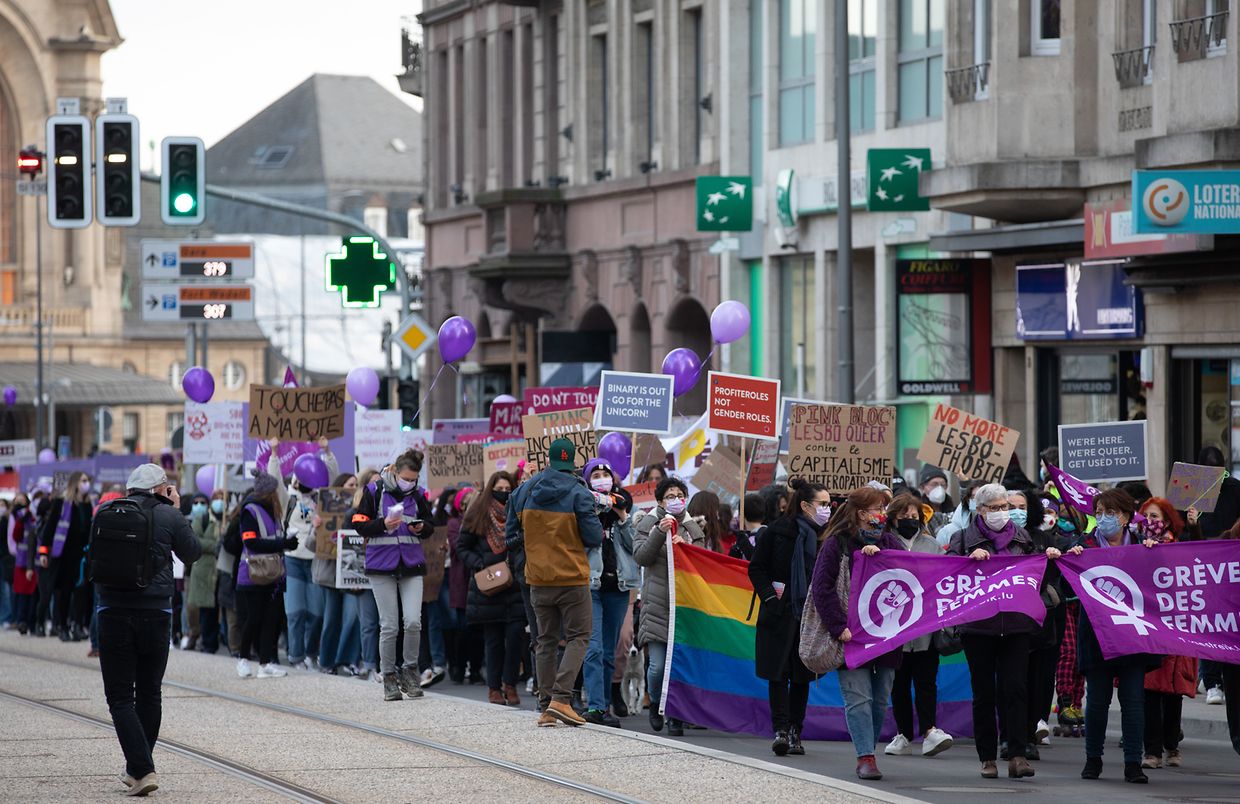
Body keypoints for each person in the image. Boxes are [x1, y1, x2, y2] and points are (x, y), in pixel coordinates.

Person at [97, 464, 201, 796]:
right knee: (149, 691)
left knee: (119, 697)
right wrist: (177, 509)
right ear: (160, 489)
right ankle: (141, 768)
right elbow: (192, 552)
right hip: (156, 612)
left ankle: (140, 768)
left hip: (112, 610)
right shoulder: (169, 515)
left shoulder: (104, 511)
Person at [948, 482, 1055, 780]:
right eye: (994, 508)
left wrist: (1052, 557)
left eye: (1004, 507)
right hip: (978, 627)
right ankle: (987, 758)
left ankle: (1017, 754)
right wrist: (966, 563)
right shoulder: (962, 539)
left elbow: (1038, 577)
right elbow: (948, 578)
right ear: (980, 511)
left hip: (1017, 624)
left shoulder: (1024, 539)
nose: (1001, 513)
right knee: (984, 693)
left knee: (1016, 689)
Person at [506, 438, 604, 727]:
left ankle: (547, 705)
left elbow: (511, 536)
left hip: (538, 578)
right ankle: (561, 699)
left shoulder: (523, 492)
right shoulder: (579, 492)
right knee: (579, 636)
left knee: (544, 641)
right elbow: (594, 537)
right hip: (572, 577)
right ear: (571, 462)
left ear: (548, 460)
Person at [1066, 487, 1160, 784]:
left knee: (1134, 701)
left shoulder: (1145, 547)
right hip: (1098, 636)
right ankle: (1093, 760)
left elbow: (1160, 583)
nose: (1103, 518)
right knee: (1097, 702)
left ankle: (1133, 762)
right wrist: (1070, 559)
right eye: (1099, 513)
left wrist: (1153, 555)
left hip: (1134, 637)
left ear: (1126, 517)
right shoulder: (1085, 544)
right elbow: (1069, 588)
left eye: (1110, 513)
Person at [811, 485, 902, 781]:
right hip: (851, 636)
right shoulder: (837, 544)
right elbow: (822, 590)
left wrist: (883, 558)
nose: (883, 514)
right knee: (858, 699)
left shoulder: (892, 542)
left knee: (879, 700)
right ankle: (865, 757)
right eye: (878, 508)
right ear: (862, 513)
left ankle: (869, 749)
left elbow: (911, 577)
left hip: (887, 636)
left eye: (885, 508)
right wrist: (839, 628)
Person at [749, 478, 828, 757]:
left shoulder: (825, 536)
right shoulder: (775, 532)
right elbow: (756, 568)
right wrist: (770, 597)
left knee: (802, 674)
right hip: (780, 613)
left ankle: (796, 730)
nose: (827, 510)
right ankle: (780, 730)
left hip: (810, 616)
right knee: (778, 673)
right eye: (823, 504)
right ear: (806, 505)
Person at [352, 450, 434, 701]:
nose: (410, 482)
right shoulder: (374, 491)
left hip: (411, 564)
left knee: (412, 621)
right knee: (389, 625)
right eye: (406, 478)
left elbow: (430, 524)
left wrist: (422, 528)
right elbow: (358, 522)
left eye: (414, 478)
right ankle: (388, 676)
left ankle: (410, 670)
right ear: (396, 472)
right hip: (381, 565)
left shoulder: (419, 494)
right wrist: (382, 526)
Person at [883, 494, 954, 759]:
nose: (910, 521)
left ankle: (929, 731)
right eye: (904, 517)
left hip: (926, 627)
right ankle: (902, 734)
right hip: (894, 628)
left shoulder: (933, 545)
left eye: (914, 517)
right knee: (898, 684)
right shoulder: (884, 544)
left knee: (926, 682)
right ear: (893, 518)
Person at [634, 476, 705, 736]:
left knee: (678, 667)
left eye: (680, 495)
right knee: (657, 667)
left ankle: (675, 715)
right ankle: (656, 703)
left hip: (683, 606)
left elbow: (702, 563)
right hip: (656, 604)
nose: (676, 500)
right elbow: (641, 556)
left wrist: (686, 548)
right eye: (670, 496)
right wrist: (658, 533)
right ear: (660, 501)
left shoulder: (693, 527)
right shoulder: (648, 522)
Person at [457, 471, 526, 707]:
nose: (504, 493)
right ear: (490, 489)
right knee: (494, 640)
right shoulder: (477, 513)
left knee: (516, 637)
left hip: (515, 585)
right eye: (500, 489)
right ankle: (494, 687)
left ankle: (510, 684)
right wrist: (479, 565)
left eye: (508, 490)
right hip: (488, 586)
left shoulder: (519, 512)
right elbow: (462, 547)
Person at [580, 458, 638, 727]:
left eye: (606, 474)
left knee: (608, 651)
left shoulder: (623, 507)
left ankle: (603, 706)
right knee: (593, 648)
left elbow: (633, 546)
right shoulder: (581, 505)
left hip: (618, 587)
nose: (602, 478)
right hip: (591, 585)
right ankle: (594, 705)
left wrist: (622, 515)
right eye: (596, 474)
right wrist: (594, 509)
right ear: (587, 479)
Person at [1138, 497, 1195, 769]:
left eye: (1155, 516)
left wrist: (1195, 528)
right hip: (1148, 629)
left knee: (1173, 691)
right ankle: (1151, 751)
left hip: (1176, 628)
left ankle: (1171, 745)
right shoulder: (1135, 548)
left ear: (1169, 520)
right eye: (1145, 516)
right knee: (1149, 690)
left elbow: (1198, 561)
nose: (1150, 522)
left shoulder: (1179, 548)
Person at [227, 470, 297, 679]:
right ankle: (243, 659)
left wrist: (286, 540)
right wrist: (283, 543)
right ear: (268, 492)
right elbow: (251, 542)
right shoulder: (250, 510)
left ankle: (266, 662)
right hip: (253, 573)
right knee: (254, 618)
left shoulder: (273, 511)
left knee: (271, 619)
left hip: (273, 574)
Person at [1006, 489, 1057, 760]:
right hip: (1008, 623)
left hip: (1039, 624)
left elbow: (1055, 580)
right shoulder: (998, 541)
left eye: (1021, 506)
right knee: (1013, 684)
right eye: (1010, 506)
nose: (1016, 510)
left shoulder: (1044, 540)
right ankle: (1010, 737)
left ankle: (1028, 735)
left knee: (1037, 683)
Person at [36, 470, 94, 641]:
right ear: (75, 482)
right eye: (83, 481)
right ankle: (62, 625)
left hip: (81, 553)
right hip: (63, 554)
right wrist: (44, 552)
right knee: (64, 591)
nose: (86, 484)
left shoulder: (86, 504)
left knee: (81, 591)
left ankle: (77, 625)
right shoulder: (62, 503)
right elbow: (50, 528)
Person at [317, 472, 362, 677]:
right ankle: (326, 661)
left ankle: (346, 660)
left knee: (353, 618)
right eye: (350, 484)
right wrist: (315, 529)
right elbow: (311, 545)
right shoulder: (325, 512)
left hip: (352, 572)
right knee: (332, 620)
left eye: (356, 485)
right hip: (331, 575)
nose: (353, 488)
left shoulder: (361, 509)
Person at [445, 486, 483, 685]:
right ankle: (458, 666)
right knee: (462, 628)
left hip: (479, 579)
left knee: (477, 630)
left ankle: (475, 669)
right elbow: (459, 547)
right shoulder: (453, 523)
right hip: (461, 579)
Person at [184, 492, 220, 654]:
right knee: (199, 608)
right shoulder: (201, 520)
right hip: (201, 571)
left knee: (215, 609)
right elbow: (195, 541)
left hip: (218, 571)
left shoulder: (222, 520)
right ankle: (202, 639)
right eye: (196, 502)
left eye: (202, 502)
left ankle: (212, 641)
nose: (199, 505)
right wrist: (215, 546)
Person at [6, 494, 38, 635]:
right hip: (20, 560)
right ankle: (21, 621)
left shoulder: (31, 516)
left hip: (32, 560)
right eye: (17, 500)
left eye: (22, 500)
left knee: (31, 593)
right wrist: (20, 520)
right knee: (21, 593)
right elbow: (14, 536)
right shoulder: (15, 517)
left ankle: (30, 622)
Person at [731, 492, 767, 562]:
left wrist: (745, 546)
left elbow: (760, 562)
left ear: (741, 515)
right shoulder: (745, 536)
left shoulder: (765, 535)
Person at [918, 465, 953, 534]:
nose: (939, 488)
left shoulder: (953, 511)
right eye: (934, 484)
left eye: (943, 485)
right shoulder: (918, 513)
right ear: (923, 488)